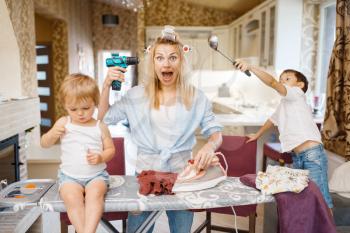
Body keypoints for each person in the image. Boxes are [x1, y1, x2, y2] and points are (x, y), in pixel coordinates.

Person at [98, 25, 223, 233]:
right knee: (138, 230)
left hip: (183, 176)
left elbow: (215, 132)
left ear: (181, 61)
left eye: (173, 57)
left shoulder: (196, 97)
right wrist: (105, 86)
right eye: (160, 58)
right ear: (152, 62)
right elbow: (103, 118)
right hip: (145, 175)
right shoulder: (137, 95)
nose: (166, 63)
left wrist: (210, 146)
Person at [235, 60, 333, 210]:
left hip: (312, 155)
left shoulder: (296, 94)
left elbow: (273, 83)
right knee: (306, 201)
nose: (282, 82)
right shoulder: (284, 104)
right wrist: (257, 135)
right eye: (282, 80)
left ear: (300, 85)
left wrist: (251, 67)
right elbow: (272, 120)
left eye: (287, 79)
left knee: (321, 200)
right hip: (298, 157)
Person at [41, 74, 115, 233]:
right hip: (69, 177)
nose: (80, 113)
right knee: (71, 198)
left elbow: (111, 150)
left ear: (95, 103)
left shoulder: (99, 126)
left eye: (86, 108)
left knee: (95, 195)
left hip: (96, 176)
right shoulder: (63, 123)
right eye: (73, 109)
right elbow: (44, 143)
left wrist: (101, 157)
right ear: (65, 106)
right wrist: (53, 133)